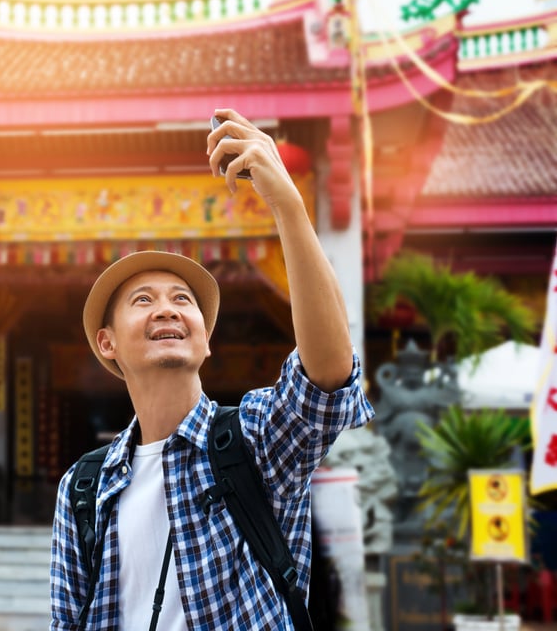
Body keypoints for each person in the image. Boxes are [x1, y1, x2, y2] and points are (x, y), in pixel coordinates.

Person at [50, 108, 374, 630]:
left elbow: (328, 377)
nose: (168, 309)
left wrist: (288, 206)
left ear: (205, 339)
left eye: (183, 299)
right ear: (106, 343)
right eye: (142, 300)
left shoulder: (256, 440)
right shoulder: (84, 488)